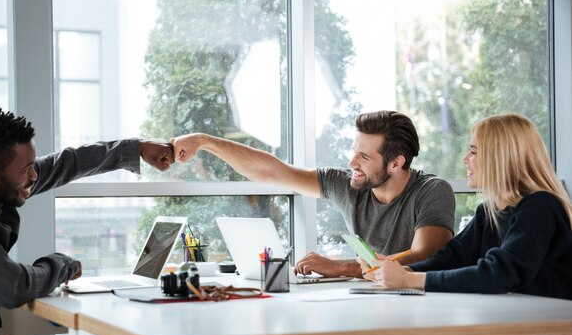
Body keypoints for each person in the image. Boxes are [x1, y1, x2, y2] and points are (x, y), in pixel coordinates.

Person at [0, 108, 174, 335]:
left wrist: (138, 148)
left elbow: (66, 163)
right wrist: (60, 265)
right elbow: (13, 287)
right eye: (27, 169)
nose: (34, 176)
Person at [172, 110, 455, 278]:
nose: (352, 163)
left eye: (364, 158)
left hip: (421, 307)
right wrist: (204, 141)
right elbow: (271, 171)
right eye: (354, 151)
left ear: (396, 163)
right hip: (373, 302)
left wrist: (341, 267)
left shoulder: (432, 191)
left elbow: (426, 256)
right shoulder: (348, 184)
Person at [364, 113, 572, 300]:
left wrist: (409, 281)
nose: (465, 159)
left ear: (499, 158)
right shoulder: (489, 212)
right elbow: (451, 259)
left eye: (473, 151)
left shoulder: (540, 207)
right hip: (517, 322)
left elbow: (498, 274)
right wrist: (401, 271)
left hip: (549, 331)